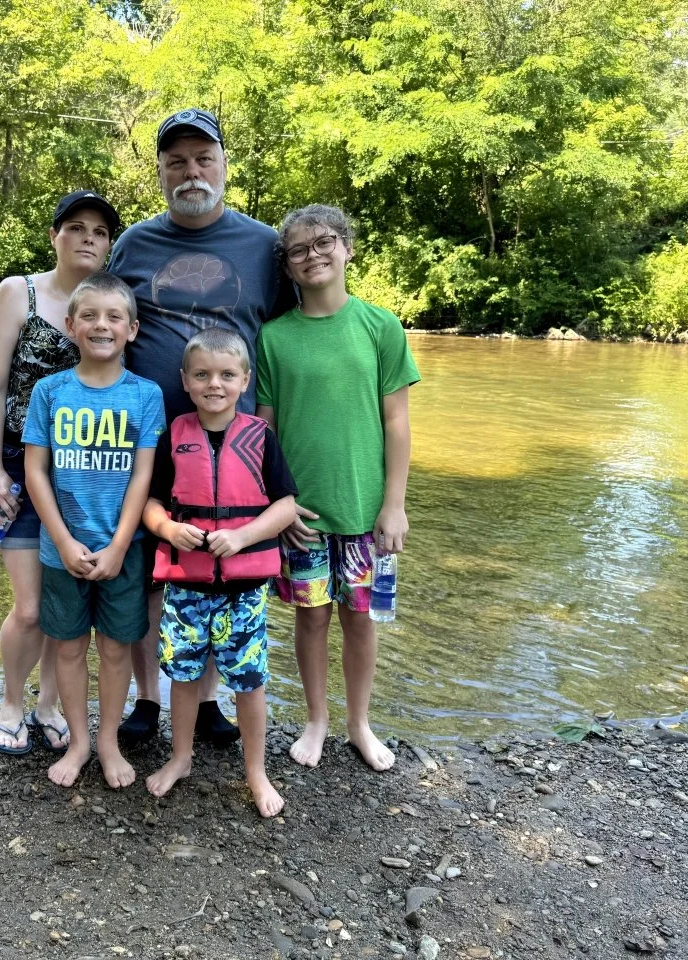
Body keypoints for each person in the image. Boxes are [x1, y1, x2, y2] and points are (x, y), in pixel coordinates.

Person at [107, 108, 295, 748]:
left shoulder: (263, 246)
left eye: (203, 159)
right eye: (177, 162)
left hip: (232, 443)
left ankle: (209, 700)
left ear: (223, 166)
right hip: (147, 438)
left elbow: (286, 338)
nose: (192, 172)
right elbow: (106, 320)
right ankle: (147, 698)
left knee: (219, 567)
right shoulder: (134, 244)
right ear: (162, 172)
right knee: (148, 569)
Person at [256, 204, 420, 770]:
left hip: (366, 512)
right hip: (302, 514)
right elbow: (265, 433)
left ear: (347, 247)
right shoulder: (273, 338)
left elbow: (397, 422)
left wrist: (394, 505)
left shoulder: (381, 327)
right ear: (288, 267)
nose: (313, 256)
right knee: (310, 617)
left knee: (361, 618)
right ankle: (316, 721)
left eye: (324, 242)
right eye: (298, 250)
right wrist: (277, 506)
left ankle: (359, 723)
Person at [0, 190, 121, 756]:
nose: (88, 238)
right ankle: (12, 702)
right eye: (76, 227)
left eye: (100, 232)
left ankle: (48, 705)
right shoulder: (20, 293)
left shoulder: (109, 305)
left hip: (84, 473)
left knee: (67, 605)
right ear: (55, 236)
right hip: (19, 466)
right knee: (31, 606)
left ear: (109, 246)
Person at [142, 328, 298, 817]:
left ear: (244, 381)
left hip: (244, 591)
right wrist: (169, 529)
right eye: (203, 375)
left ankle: (256, 772)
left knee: (249, 681)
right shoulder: (174, 435)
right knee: (183, 675)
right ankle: (181, 757)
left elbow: (286, 506)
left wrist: (243, 537)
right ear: (185, 380)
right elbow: (151, 504)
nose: (215, 384)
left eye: (227, 375)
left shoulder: (260, 437)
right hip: (185, 589)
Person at [22, 272, 165, 788]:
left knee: (116, 648)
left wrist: (121, 544)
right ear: (70, 325)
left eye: (113, 317)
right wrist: (62, 540)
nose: (101, 325)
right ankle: (79, 741)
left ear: (132, 329)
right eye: (89, 316)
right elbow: (35, 471)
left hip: (123, 550)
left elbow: (143, 476)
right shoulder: (49, 391)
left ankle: (108, 741)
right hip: (61, 550)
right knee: (67, 647)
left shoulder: (146, 395)